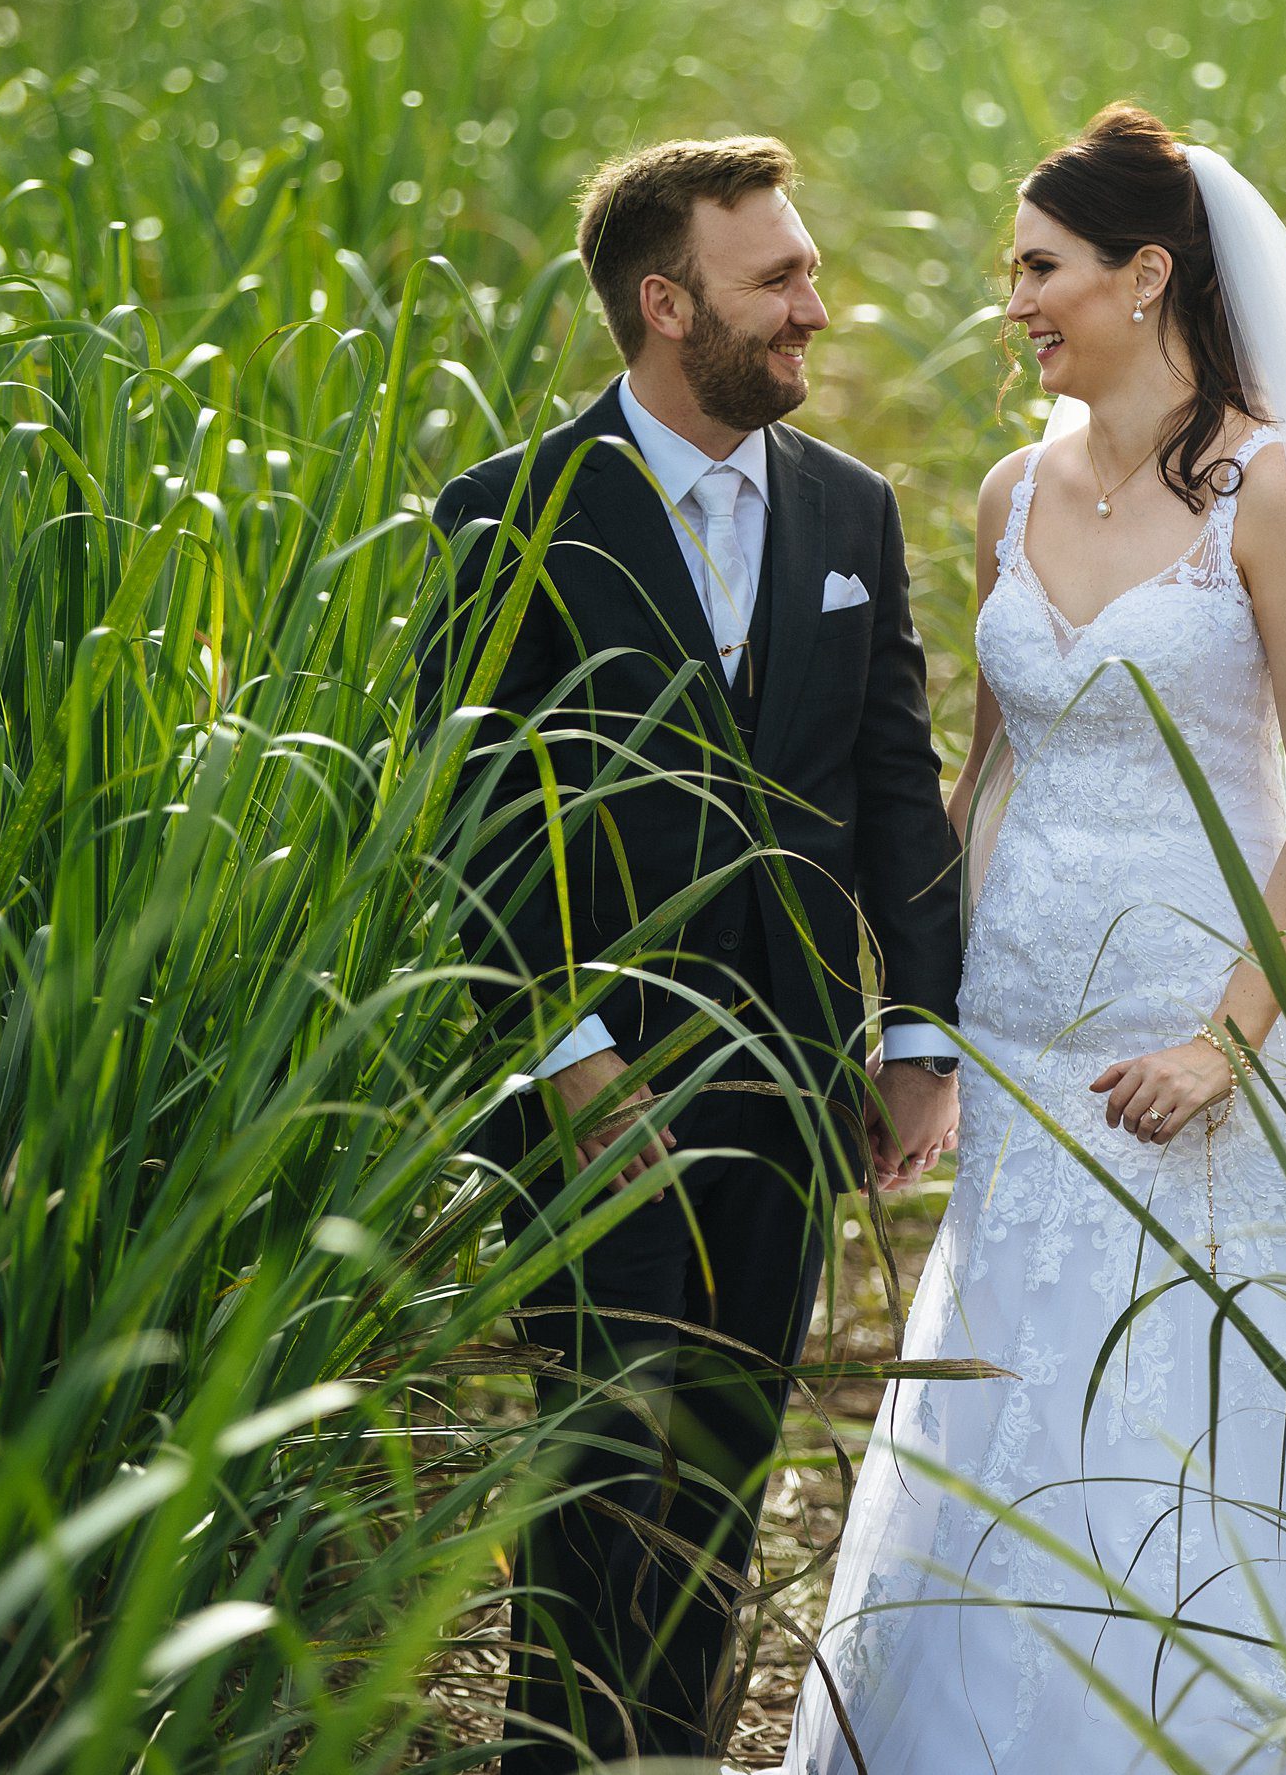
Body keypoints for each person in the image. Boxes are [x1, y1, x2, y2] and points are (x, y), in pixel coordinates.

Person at [785, 104, 1286, 1774]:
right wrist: (925, 1029)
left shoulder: (1272, 487)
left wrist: (1227, 1036)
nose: (1014, 302)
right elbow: (986, 770)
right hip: (1025, 1043)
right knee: (1011, 1388)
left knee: (1191, 1402)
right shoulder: (1005, 491)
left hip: (1195, 1044)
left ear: (1146, 273)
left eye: (1038, 270)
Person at [414, 135, 966, 1771]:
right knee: (598, 1468)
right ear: (666, 305)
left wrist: (914, 1029)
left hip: (790, 1073)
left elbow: (886, 779)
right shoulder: (508, 513)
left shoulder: (848, 508)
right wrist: (565, 1056)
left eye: (804, 270)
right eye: (777, 280)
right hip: (595, 1079)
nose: (816, 307)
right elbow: (471, 806)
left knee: (719, 1466)